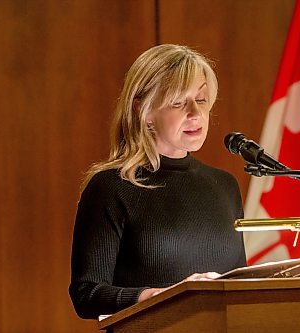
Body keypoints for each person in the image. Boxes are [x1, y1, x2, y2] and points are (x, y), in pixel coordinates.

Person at [69, 44, 246, 319]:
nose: (195, 113)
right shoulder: (111, 187)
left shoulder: (225, 186)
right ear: (145, 111)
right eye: (178, 102)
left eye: (201, 100)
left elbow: (238, 287)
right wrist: (157, 296)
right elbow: (86, 294)